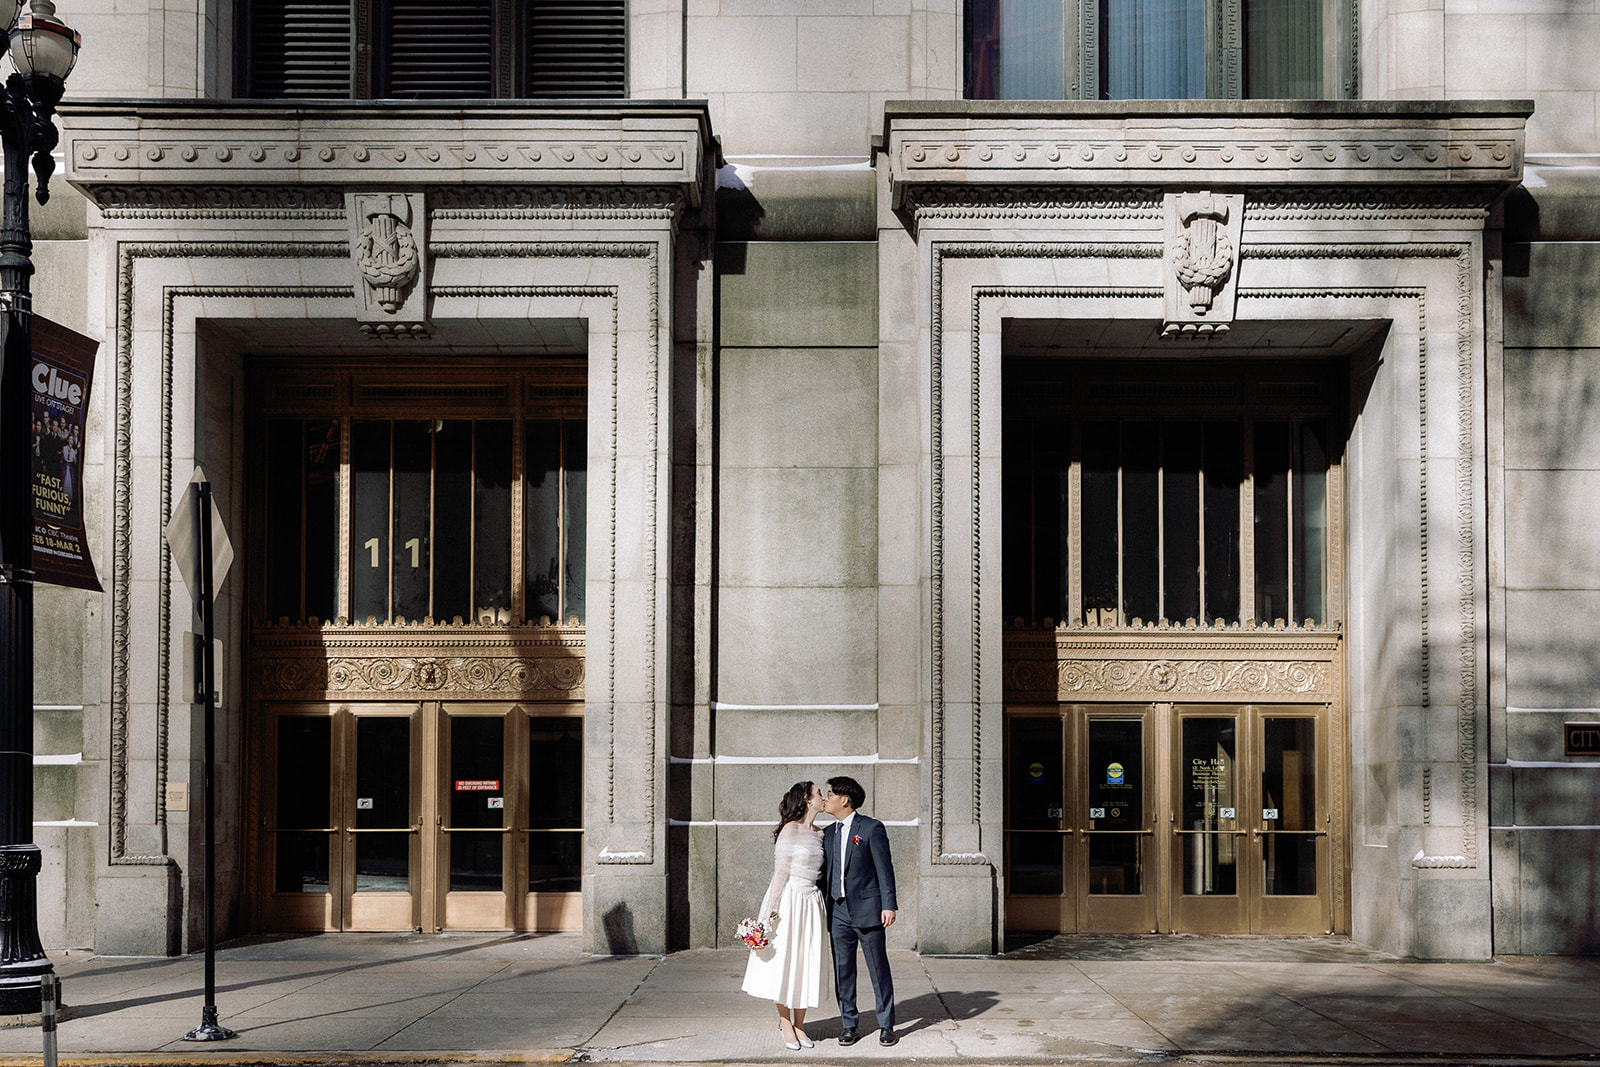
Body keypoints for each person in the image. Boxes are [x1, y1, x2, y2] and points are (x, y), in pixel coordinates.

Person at [740, 781, 830, 1050]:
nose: (824, 798)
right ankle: (785, 1023)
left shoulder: (822, 834)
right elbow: (780, 874)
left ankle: (801, 1024)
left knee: (806, 961)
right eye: (819, 794)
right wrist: (767, 915)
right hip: (789, 901)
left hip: (812, 902)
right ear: (807, 799)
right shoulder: (789, 830)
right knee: (785, 960)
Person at [817, 775, 898, 1047]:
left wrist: (889, 904)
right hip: (837, 911)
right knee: (843, 971)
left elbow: (884, 869)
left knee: (878, 969)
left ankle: (886, 1025)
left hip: (868, 909)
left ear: (845, 799)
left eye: (830, 794)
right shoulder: (828, 834)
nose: (826, 799)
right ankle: (849, 1024)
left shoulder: (871, 828)